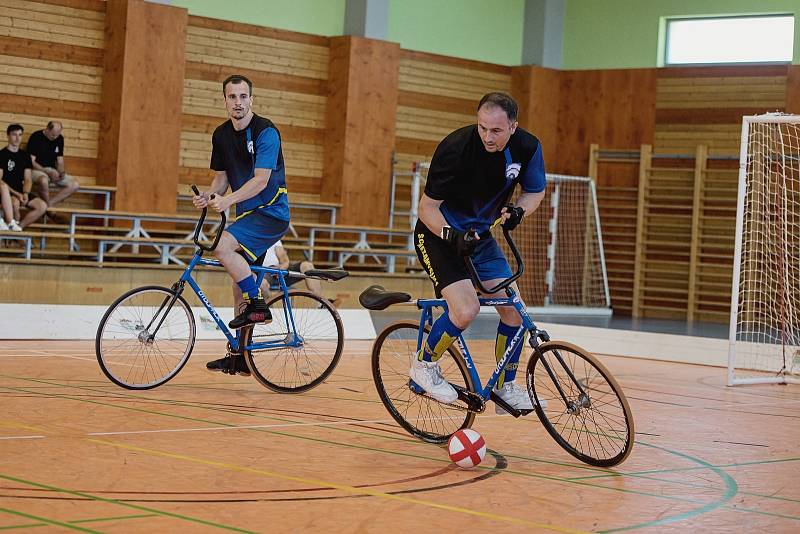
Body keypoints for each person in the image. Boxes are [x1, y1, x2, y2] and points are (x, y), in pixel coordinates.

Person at [411, 92, 547, 414]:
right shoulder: (455, 148)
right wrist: (451, 235)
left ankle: (504, 387)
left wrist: (518, 211)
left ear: (513, 126)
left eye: (496, 131)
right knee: (466, 310)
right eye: (483, 127)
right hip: (438, 236)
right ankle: (424, 366)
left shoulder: (527, 148)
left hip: (479, 238)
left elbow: (535, 191)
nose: (487, 136)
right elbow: (426, 208)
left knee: (514, 308)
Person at [192, 74, 290, 376]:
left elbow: (260, 180)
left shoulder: (266, 132)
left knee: (221, 246)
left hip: (270, 212)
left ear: (251, 99)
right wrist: (210, 197)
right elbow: (221, 180)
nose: (238, 102)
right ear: (224, 100)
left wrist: (228, 201)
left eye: (243, 96)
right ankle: (240, 356)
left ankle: (258, 303)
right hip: (247, 215)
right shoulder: (221, 135)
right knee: (238, 285)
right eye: (232, 97)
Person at [260, 240, 342, 307]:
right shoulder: (252, 238)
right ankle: (269, 311)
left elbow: (283, 257)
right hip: (264, 272)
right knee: (262, 284)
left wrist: (283, 266)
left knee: (307, 265)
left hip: (279, 270)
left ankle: (321, 305)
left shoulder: (273, 237)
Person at [0, 124, 47, 230]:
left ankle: (18, 228)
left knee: (42, 206)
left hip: (20, 190)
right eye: (14, 135)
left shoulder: (25, 156)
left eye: (20, 135)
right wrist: (17, 194)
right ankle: (12, 226)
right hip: (5, 192)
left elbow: (28, 179)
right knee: (14, 203)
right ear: (8, 136)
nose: (17, 138)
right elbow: (0, 181)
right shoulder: (1, 155)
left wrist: (25, 193)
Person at [27, 121, 80, 209]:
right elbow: (31, 161)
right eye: (52, 135)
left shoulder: (59, 139)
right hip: (37, 170)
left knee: (75, 184)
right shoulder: (36, 137)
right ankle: (48, 210)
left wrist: (61, 172)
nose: (55, 137)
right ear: (47, 129)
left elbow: (60, 161)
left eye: (57, 135)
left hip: (53, 171)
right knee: (43, 181)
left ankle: (48, 206)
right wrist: (46, 171)